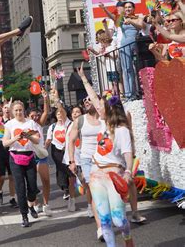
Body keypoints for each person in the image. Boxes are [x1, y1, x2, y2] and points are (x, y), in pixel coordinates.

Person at [78, 63, 134, 247]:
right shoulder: (102, 123)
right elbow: (94, 97)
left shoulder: (122, 130)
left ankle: (127, 237)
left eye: (101, 105)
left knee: (119, 220)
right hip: (96, 174)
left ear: (108, 109)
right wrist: (84, 79)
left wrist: (127, 174)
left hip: (114, 176)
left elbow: (128, 155)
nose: (97, 107)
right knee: (104, 220)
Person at [68, 96, 105, 241]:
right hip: (87, 160)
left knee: (105, 191)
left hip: (104, 160)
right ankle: (100, 227)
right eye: (84, 101)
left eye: (90, 99)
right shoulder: (80, 120)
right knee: (95, 191)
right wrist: (72, 161)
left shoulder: (104, 118)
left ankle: (105, 215)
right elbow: (71, 141)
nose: (87, 102)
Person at [2, 100, 41, 228]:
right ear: (13, 112)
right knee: (20, 187)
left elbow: (37, 139)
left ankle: (31, 205)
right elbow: (4, 143)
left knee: (32, 187)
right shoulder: (9, 124)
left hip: (29, 156)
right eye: (16, 110)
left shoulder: (31, 123)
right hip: (15, 157)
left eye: (20, 110)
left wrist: (28, 136)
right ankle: (24, 215)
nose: (19, 112)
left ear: (24, 110)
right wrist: (15, 138)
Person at [28, 90, 52, 216]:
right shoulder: (26, 126)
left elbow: (46, 112)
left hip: (41, 155)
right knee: (32, 183)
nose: (35, 118)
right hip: (30, 156)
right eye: (32, 116)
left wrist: (45, 97)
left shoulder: (39, 124)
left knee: (46, 181)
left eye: (36, 115)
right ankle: (36, 204)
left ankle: (46, 204)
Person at [0, 99, 17, 208]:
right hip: (0, 149)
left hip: (11, 149)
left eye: (8, 108)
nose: (7, 110)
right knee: (0, 177)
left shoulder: (13, 121)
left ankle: (12, 198)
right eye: (5, 108)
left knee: (12, 176)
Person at [45, 92, 73, 201]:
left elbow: (61, 110)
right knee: (61, 169)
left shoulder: (68, 124)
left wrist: (56, 98)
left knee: (69, 168)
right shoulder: (52, 127)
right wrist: (43, 150)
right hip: (56, 151)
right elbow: (48, 140)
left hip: (68, 150)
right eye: (58, 114)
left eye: (61, 114)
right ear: (55, 116)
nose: (60, 115)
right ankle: (65, 189)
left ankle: (71, 186)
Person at [62, 105, 83, 212]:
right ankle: (72, 200)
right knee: (71, 181)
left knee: (86, 183)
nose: (75, 114)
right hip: (70, 159)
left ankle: (90, 204)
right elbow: (61, 110)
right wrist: (55, 99)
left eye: (78, 112)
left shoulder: (85, 124)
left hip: (82, 158)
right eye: (74, 112)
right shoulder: (69, 124)